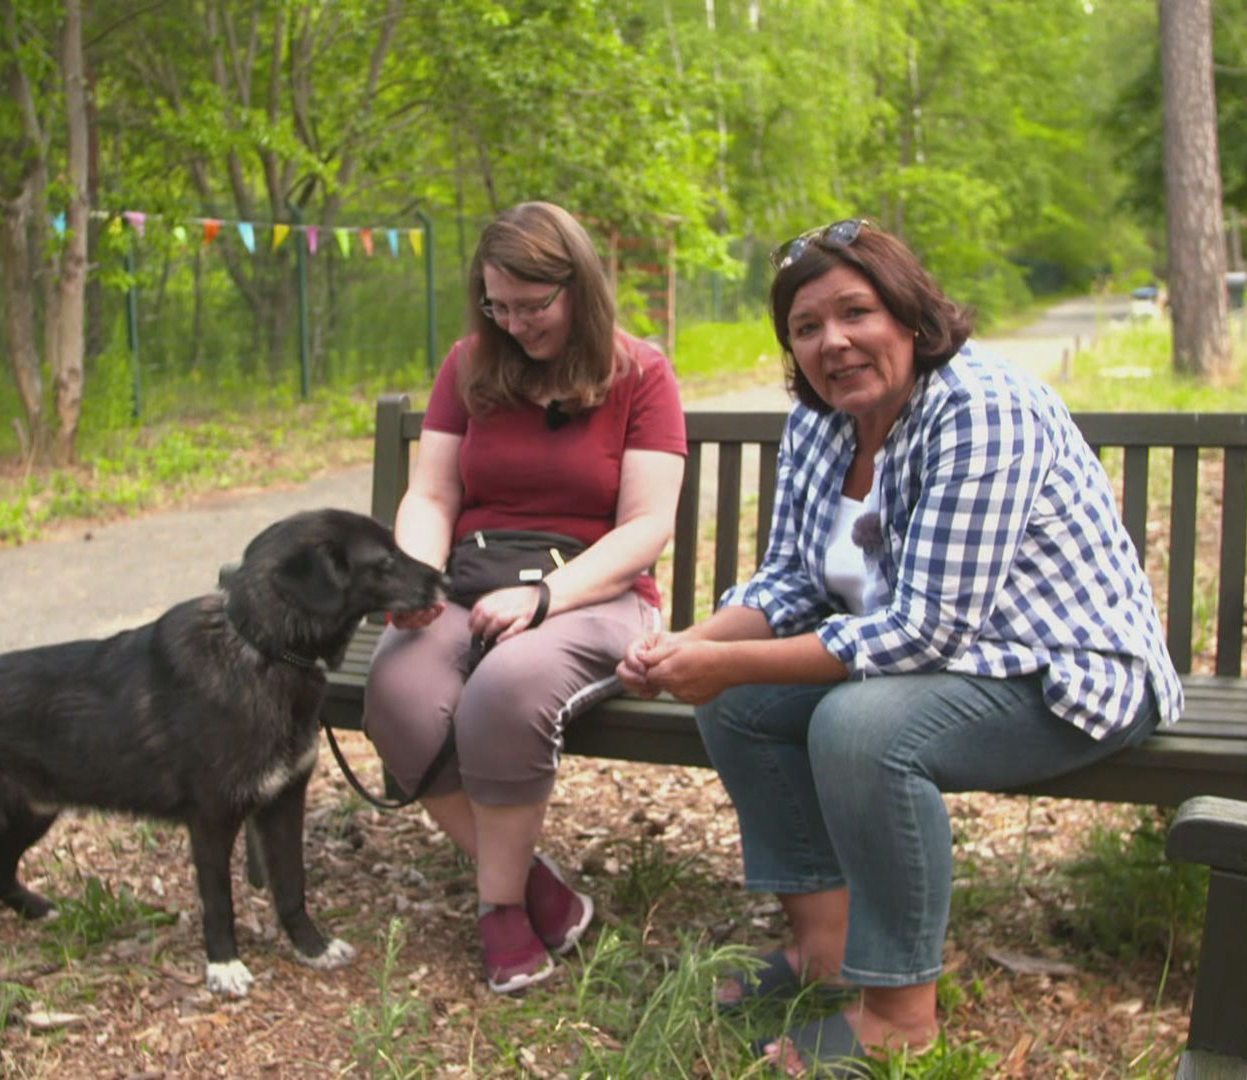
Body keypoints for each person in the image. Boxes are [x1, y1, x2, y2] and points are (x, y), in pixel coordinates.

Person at [618, 219, 1182, 1073]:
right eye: (806, 327)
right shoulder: (822, 422)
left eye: (856, 313)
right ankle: (825, 953)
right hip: (946, 666)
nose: (832, 342)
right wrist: (685, 648)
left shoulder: (982, 408)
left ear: (912, 317)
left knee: (860, 726)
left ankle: (900, 1014)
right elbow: (791, 583)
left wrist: (723, 661)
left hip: (1068, 673)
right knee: (738, 702)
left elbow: (925, 629)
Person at [363, 201, 687, 993]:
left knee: (504, 689)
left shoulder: (640, 374)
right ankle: (534, 881)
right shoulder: (469, 365)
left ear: (577, 288)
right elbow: (433, 495)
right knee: (397, 689)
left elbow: (646, 527)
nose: (513, 323)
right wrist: (416, 578)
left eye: (532, 306)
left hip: (595, 592)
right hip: (472, 582)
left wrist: (545, 598)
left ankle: (499, 908)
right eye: (496, 305)